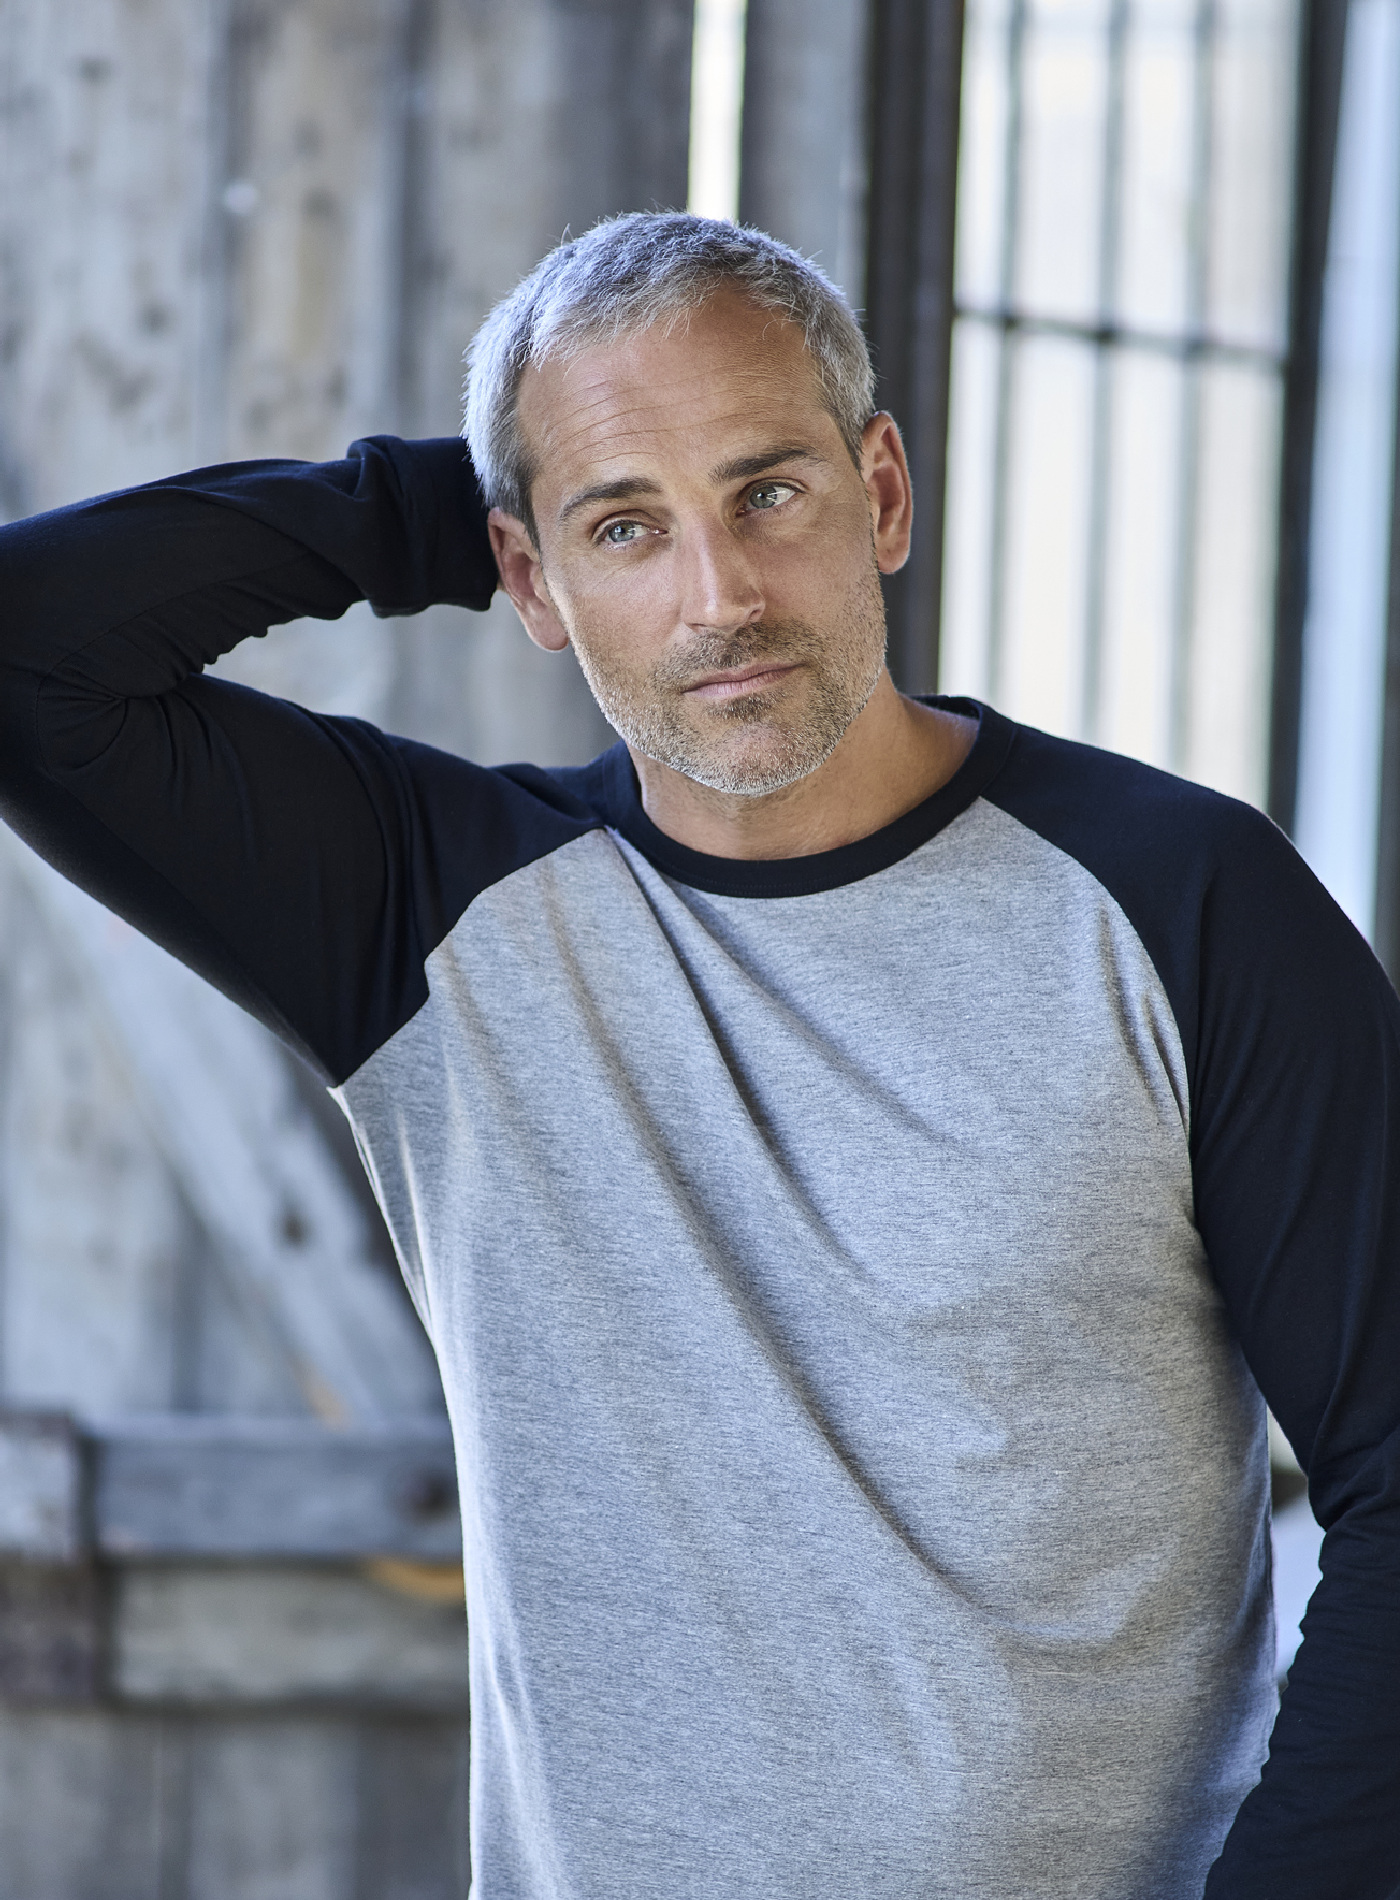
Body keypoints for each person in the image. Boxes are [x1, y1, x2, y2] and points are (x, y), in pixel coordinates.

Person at [0, 212, 1396, 1899]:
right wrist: (464, 495)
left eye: (769, 492)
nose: (718, 596)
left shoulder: (1183, 898)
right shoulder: (428, 915)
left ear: (883, 493)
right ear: (531, 580)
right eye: (626, 528)